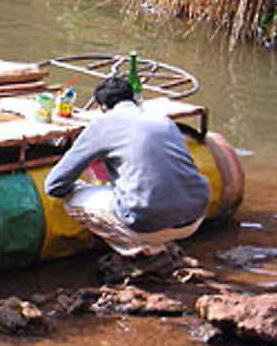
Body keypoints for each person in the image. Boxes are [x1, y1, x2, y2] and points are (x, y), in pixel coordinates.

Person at [43, 75, 211, 259]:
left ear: (102, 107)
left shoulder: (101, 125)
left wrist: (81, 185)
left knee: (72, 199)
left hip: (147, 222)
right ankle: (161, 243)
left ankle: (142, 252)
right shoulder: (163, 121)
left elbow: (53, 185)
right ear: (133, 99)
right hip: (195, 217)